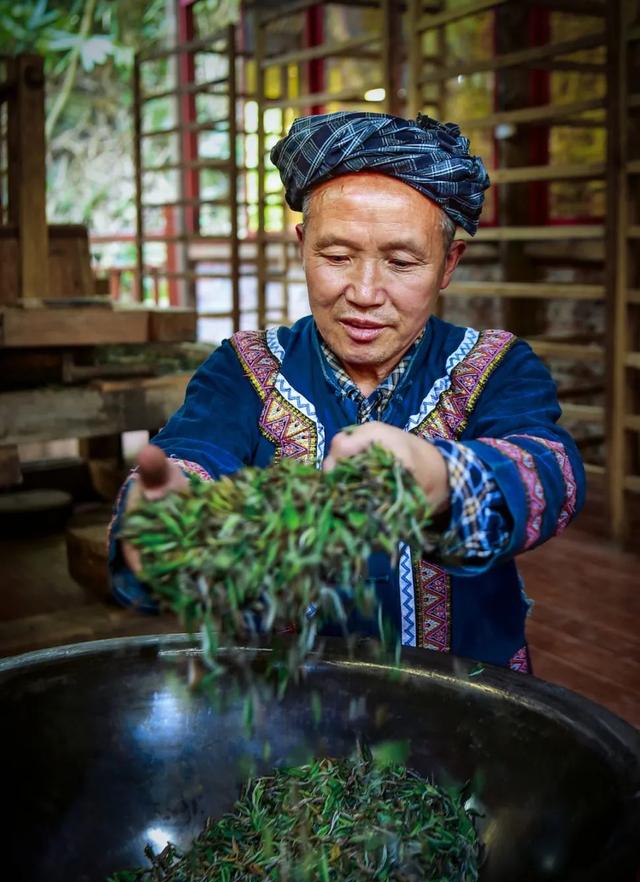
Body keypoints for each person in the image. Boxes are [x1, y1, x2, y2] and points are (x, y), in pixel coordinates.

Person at [110, 111, 585, 673]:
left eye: (402, 262)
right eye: (336, 257)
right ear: (302, 246)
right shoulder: (244, 368)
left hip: (470, 703)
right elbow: (195, 452)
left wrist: (444, 479)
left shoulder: (496, 365)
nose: (364, 293)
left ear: (448, 265)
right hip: (283, 703)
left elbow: (550, 466)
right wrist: (167, 516)